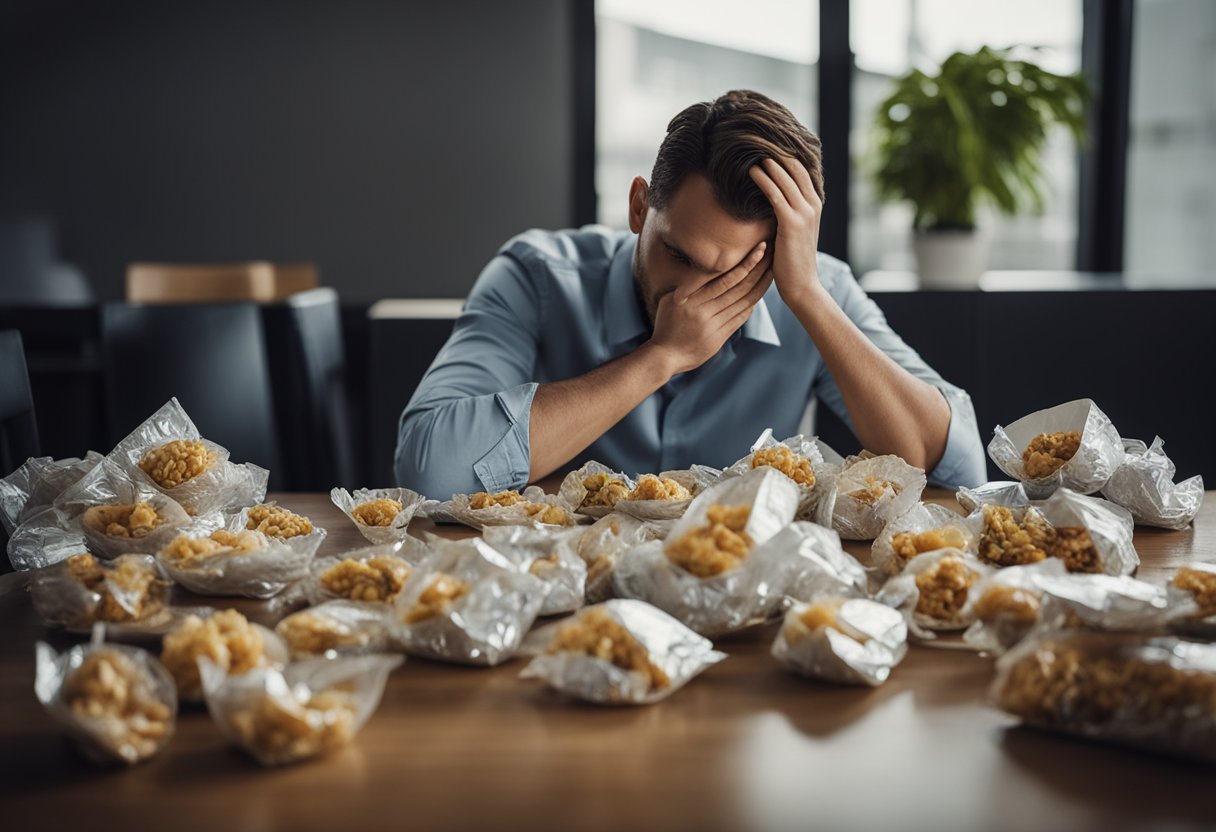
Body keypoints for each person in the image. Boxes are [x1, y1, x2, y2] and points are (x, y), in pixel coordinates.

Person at [395, 90, 985, 499]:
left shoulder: (813, 287)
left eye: (736, 272)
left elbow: (956, 468)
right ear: (637, 207)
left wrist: (805, 293)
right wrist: (662, 356)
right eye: (678, 255)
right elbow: (428, 467)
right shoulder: (536, 274)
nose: (693, 298)